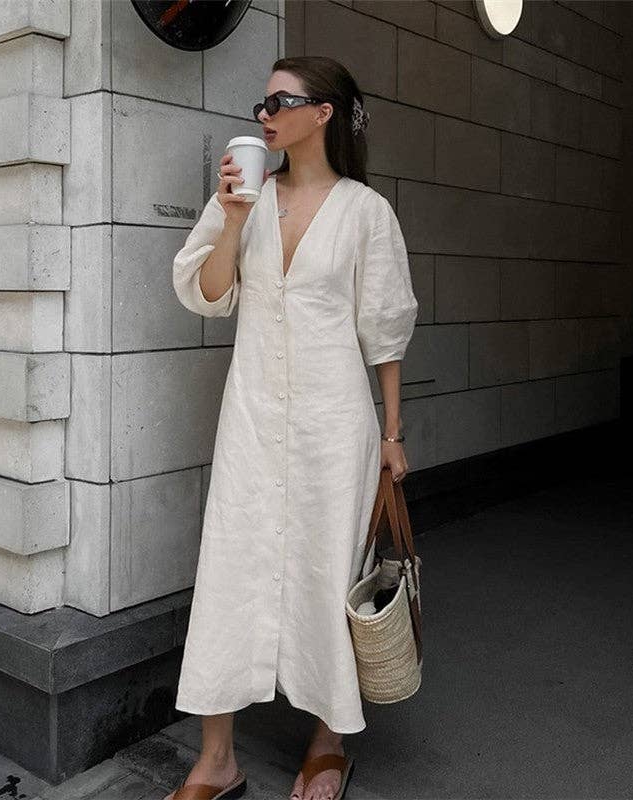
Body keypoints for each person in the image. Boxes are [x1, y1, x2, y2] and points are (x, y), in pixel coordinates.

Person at [167, 56, 419, 800]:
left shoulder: (366, 212)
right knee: (231, 568)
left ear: (324, 113)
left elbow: (385, 332)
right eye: (262, 102)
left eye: (280, 102)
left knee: (326, 571)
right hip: (251, 418)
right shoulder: (241, 198)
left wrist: (393, 436)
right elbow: (208, 293)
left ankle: (327, 741)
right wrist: (232, 219)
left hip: (334, 426)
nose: (264, 115)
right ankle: (217, 759)